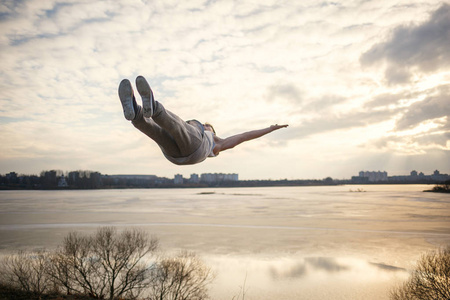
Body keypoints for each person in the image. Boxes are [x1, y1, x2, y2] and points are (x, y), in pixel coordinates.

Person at [118, 75, 288, 165]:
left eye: (209, 126)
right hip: (174, 156)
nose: (206, 125)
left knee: (182, 127)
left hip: (196, 149)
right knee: (158, 133)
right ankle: (136, 115)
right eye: (206, 125)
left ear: (213, 133)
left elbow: (244, 136)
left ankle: (153, 108)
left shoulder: (217, 144)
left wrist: (270, 129)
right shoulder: (208, 140)